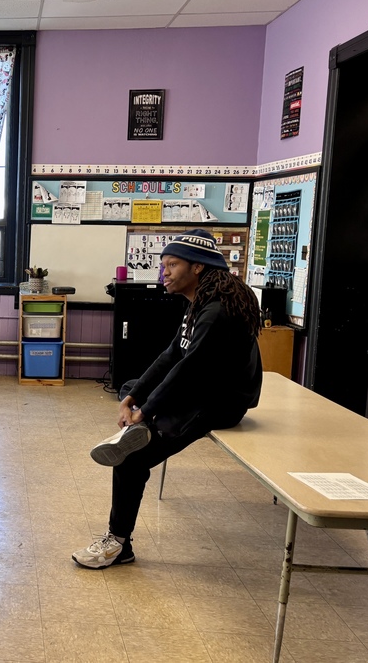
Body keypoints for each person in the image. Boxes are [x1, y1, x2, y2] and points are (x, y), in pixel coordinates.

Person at [72, 229, 263, 569]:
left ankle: (118, 545)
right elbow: (173, 353)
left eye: (173, 264)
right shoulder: (200, 303)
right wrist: (134, 395)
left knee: (131, 459)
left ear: (198, 267)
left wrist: (146, 409)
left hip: (219, 401)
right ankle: (143, 428)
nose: (165, 273)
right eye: (164, 265)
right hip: (202, 388)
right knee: (131, 384)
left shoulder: (217, 312)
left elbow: (187, 371)